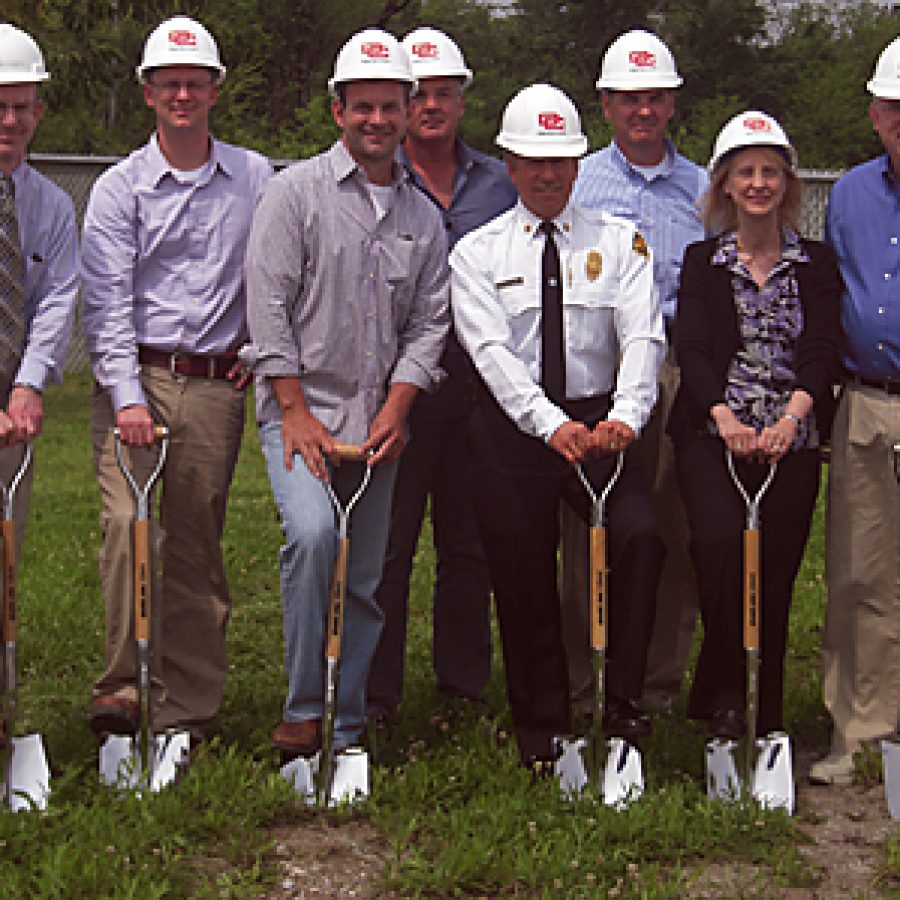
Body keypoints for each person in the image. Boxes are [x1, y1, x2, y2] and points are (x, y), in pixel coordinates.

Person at [243, 29, 449, 756]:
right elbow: (266, 308)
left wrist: (399, 408)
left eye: (389, 107)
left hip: (376, 426)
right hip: (302, 415)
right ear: (338, 111)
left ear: (408, 109)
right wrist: (293, 413)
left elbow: (429, 324)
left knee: (364, 576)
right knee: (313, 535)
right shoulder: (292, 193)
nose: (376, 121)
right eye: (362, 107)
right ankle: (303, 709)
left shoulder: (423, 218)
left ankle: (348, 719)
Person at [451, 83, 665, 771]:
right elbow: (490, 354)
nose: (548, 175)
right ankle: (542, 724)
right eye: (533, 161)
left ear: (578, 165)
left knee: (639, 537)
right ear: (509, 164)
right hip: (515, 432)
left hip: (603, 424)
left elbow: (642, 338)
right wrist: (547, 425)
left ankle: (622, 707)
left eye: (561, 161)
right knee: (521, 573)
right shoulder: (477, 254)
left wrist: (626, 415)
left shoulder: (620, 241)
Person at [81, 15, 273, 741]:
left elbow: (275, 275)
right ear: (148, 92)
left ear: (215, 91)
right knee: (131, 530)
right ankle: (123, 688)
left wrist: (259, 355)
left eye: (195, 82)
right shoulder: (118, 188)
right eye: (170, 84)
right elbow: (106, 299)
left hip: (217, 384)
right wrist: (128, 397)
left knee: (196, 541)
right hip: (136, 377)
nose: (183, 94)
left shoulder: (254, 177)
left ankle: (188, 702)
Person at [668, 111, 841, 744]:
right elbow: (693, 347)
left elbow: (824, 347)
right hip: (716, 436)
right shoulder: (702, 260)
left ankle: (760, 714)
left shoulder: (816, 263)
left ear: (788, 183)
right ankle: (723, 695)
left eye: (770, 171)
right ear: (725, 185)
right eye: (746, 172)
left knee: (772, 572)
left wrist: (793, 418)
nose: (759, 183)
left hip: (790, 439)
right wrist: (725, 419)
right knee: (717, 551)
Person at [365, 27, 517, 721]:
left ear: (462, 99)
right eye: (418, 93)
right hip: (396, 394)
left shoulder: (499, 182)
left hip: (481, 392)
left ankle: (462, 687)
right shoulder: (376, 176)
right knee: (388, 549)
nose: (431, 105)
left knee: (468, 546)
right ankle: (379, 691)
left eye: (443, 93)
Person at [566, 29, 708, 711]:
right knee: (590, 526)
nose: (643, 111)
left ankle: (652, 684)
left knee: (671, 528)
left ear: (673, 102)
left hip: (677, 368)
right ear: (605, 104)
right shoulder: (578, 181)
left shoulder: (706, 190)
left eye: (655, 98)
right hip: (598, 369)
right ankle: (583, 680)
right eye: (629, 99)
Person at [811, 37, 900, 785]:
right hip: (869, 403)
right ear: (875, 113)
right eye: (897, 108)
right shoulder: (850, 194)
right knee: (860, 573)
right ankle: (863, 730)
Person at [0, 23, 78, 746]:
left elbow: (56, 301)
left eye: (22, 106)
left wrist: (27, 388)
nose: (10, 120)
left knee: (4, 558)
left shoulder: (50, 206)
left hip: (10, 414)